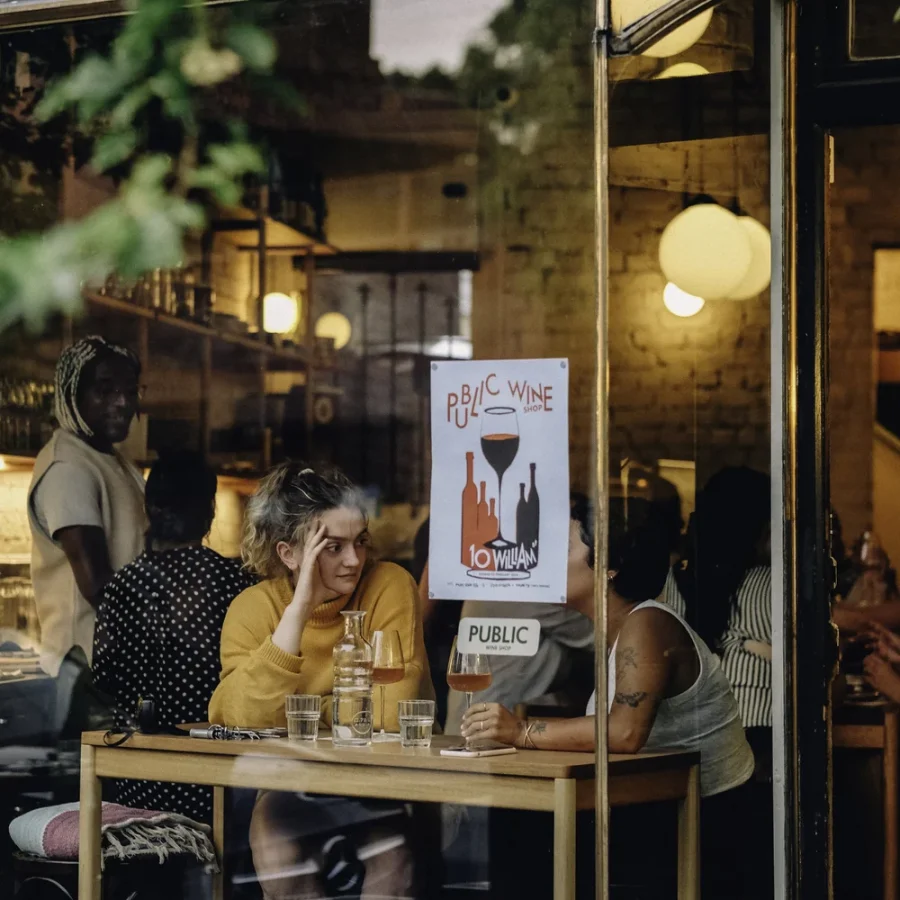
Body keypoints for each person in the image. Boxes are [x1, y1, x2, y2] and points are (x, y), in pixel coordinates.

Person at [209, 462, 434, 900]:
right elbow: (241, 719)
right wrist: (297, 612)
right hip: (291, 781)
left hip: (382, 780)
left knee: (392, 864)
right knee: (276, 859)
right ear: (290, 554)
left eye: (360, 542)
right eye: (333, 547)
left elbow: (391, 712)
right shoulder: (253, 609)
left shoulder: (389, 585)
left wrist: (306, 709)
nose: (354, 560)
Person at [93, 450, 254, 821]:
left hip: (138, 777)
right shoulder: (232, 582)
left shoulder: (123, 583)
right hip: (208, 773)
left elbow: (102, 675)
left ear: (149, 509)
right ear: (210, 511)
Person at [27, 336, 146, 676]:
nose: (122, 402)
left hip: (114, 667)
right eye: (106, 390)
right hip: (86, 675)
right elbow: (96, 585)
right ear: (72, 394)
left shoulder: (112, 459)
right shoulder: (68, 468)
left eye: (130, 390)